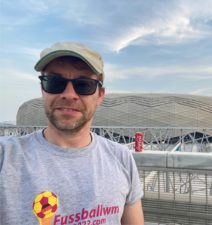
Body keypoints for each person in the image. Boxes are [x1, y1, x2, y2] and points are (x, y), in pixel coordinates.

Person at [0, 42, 144, 225]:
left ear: (100, 95)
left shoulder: (121, 157)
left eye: (83, 85)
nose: (69, 94)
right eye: (55, 82)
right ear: (42, 89)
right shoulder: (5, 157)